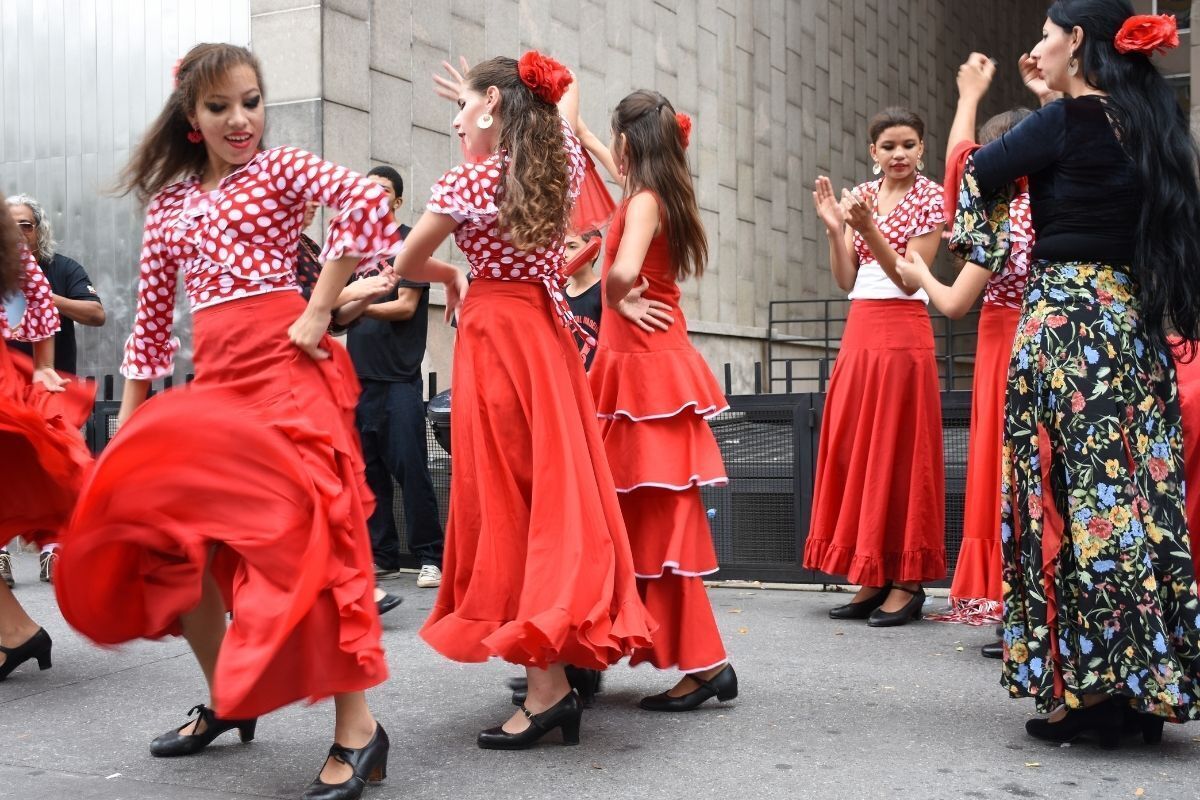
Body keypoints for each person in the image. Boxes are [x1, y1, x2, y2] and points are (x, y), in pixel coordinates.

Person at [51, 44, 454, 799]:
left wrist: (317, 305)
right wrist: (127, 437)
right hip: (219, 390)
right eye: (220, 107)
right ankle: (228, 698)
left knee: (308, 550)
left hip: (286, 377)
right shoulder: (170, 205)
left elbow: (367, 203)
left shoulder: (278, 170)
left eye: (251, 101)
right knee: (184, 550)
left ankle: (358, 730)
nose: (241, 119)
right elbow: (144, 333)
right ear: (192, 120)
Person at [947, 1, 1200, 746]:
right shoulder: (1152, 121)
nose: (1038, 48)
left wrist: (986, 235)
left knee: (1066, 499)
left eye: (1047, 37)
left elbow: (976, 172)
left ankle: (1087, 698)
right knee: (1135, 502)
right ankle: (1144, 688)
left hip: (1064, 326)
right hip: (1131, 325)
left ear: (1077, 40)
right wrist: (1049, 93)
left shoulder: (1064, 122)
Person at [395, 52, 653, 749]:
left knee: (508, 502)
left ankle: (547, 692)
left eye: (464, 109)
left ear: (495, 110)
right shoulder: (560, 163)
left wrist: (452, 273)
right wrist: (498, 96)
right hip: (545, 338)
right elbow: (560, 103)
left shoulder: (469, 180)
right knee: (553, 497)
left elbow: (403, 264)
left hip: (497, 338)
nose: (455, 121)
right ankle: (555, 673)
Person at [576, 90, 736, 711]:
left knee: (652, 532)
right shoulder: (656, 192)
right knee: (647, 529)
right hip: (650, 370)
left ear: (630, 143)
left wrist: (617, 293)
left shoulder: (642, 202)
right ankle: (695, 661)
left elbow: (622, 272)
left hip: (645, 375)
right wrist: (586, 127)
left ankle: (704, 666)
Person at [896, 101, 1037, 659]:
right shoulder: (1051, 206)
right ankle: (1029, 604)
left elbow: (955, 303)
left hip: (1006, 341)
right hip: (1036, 336)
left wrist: (921, 273)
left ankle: (1018, 608)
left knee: (1006, 471)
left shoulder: (1007, 217)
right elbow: (957, 161)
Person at [804, 108, 947, 627]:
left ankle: (907, 582)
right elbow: (846, 278)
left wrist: (867, 227)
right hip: (860, 328)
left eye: (909, 144)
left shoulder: (932, 197)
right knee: (860, 446)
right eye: (889, 146)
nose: (900, 154)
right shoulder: (860, 197)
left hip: (904, 328)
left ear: (923, 148)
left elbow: (910, 278)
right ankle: (871, 573)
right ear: (873, 152)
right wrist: (834, 229)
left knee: (900, 449)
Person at [331, 165, 446, 593]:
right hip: (357, 378)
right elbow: (335, 316)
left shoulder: (409, 241)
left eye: (382, 191)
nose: (372, 197)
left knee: (411, 468)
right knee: (368, 471)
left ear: (396, 200)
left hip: (398, 379)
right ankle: (382, 557)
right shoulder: (351, 249)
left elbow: (404, 306)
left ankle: (430, 556)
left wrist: (356, 301)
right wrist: (348, 302)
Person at [0, 203, 92, 681]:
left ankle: (17, 633)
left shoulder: (19, 255)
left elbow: (39, 305)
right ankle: (16, 632)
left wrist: (42, 366)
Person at [4, 194, 105, 585]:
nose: (16, 233)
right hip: (5, 384)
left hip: (50, 385)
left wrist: (46, 294)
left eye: (25, 225)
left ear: (39, 230)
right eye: (7, 225)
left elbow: (95, 313)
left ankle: (53, 551)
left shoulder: (59, 269)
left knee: (55, 466)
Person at [564, 229, 603, 370]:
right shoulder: (558, 295)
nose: (564, 254)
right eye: (561, 248)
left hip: (595, 383)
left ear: (593, 252)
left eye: (572, 247)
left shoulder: (604, 293)